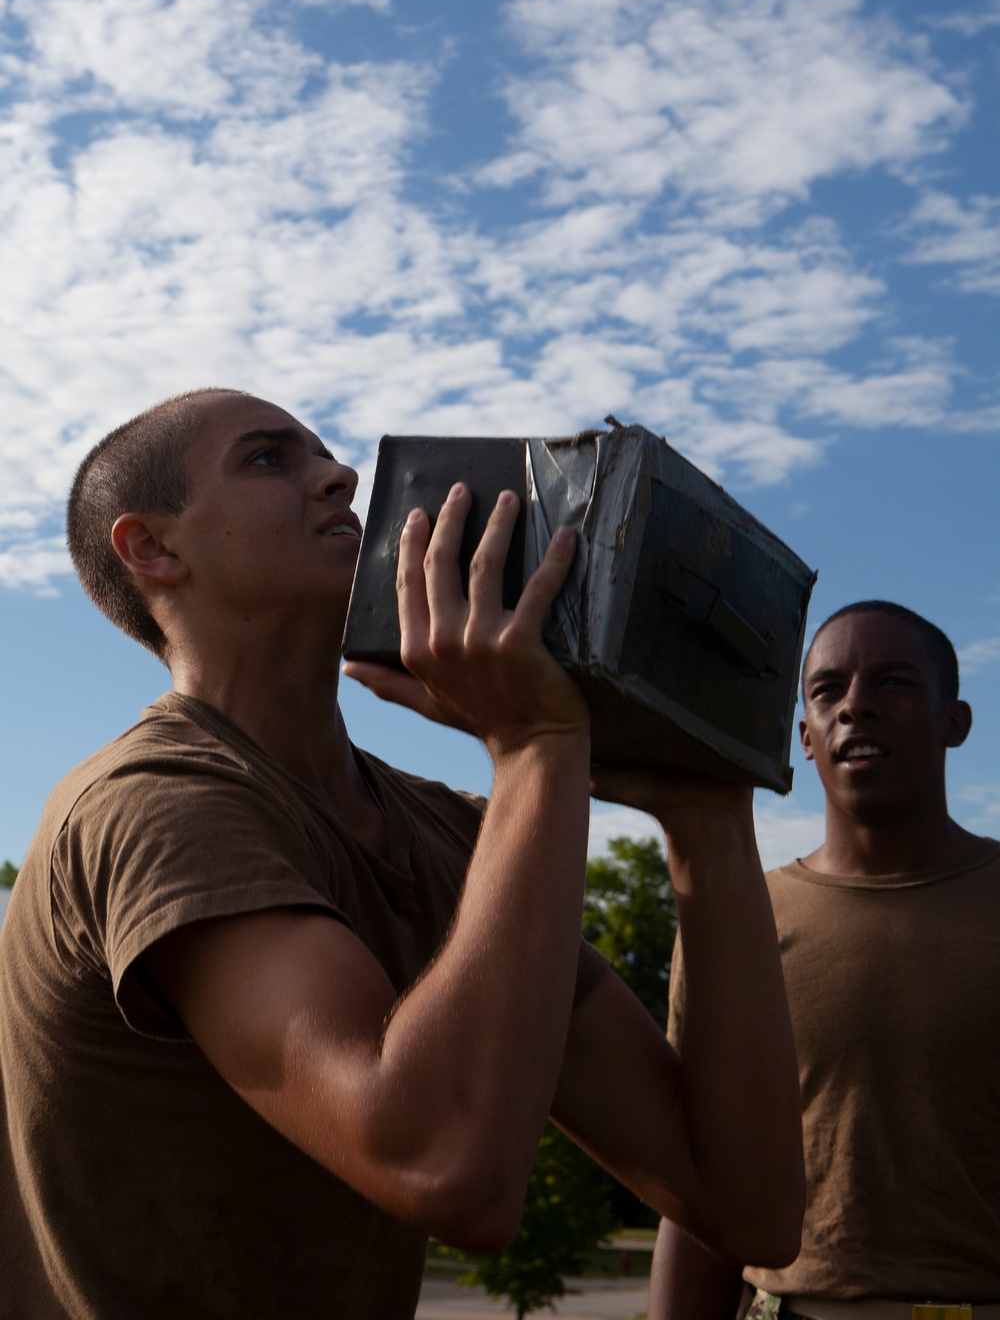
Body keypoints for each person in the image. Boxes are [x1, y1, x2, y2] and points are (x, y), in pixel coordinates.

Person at [0, 389, 804, 1320]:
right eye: (269, 459)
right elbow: (444, 1164)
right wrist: (539, 744)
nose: (339, 476)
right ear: (153, 548)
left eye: (325, 456)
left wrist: (710, 827)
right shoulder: (151, 805)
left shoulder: (453, 836)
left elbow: (749, 1208)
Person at [648, 600, 1000, 1320]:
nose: (856, 708)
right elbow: (698, 1178)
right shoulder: (736, 918)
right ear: (804, 736)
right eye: (828, 689)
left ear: (955, 722)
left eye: (895, 683)